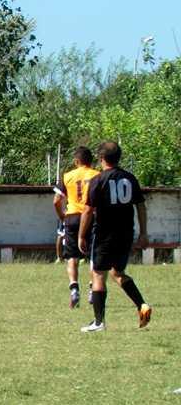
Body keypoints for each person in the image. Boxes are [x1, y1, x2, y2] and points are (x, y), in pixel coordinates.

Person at [78, 141, 152, 332]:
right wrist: (143, 233)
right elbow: (141, 206)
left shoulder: (98, 180)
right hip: (126, 234)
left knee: (98, 274)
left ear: (101, 158)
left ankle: (98, 323)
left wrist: (81, 236)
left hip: (104, 234)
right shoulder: (130, 178)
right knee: (116, 272)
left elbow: (88, 211)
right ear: (119, 157)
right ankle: (142, 305)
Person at [53, 146, 99, 309]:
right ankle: (93, 290)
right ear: (91, 161)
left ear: (76, 161)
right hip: (92, 216)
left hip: (72, 217)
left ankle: (74, 289)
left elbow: (56, 201)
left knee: (72, 256)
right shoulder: (97, 175)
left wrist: (62, 216)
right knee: (93, 255)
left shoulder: (67, 176)